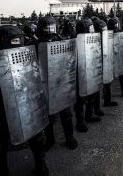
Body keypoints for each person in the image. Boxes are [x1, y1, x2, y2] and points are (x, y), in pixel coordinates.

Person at [0, 25, 49, 176]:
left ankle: (40, 163)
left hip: (25, 97)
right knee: (0, 141)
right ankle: (2, 170)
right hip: (1, 105)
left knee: (35, 134)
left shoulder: (27, 51)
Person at [36, 17, 78, 151]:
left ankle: (69, 137)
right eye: (46, 29)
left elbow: (70, 55)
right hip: (43, 84)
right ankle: (50, 139)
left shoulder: (60, 41)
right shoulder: (35, 44)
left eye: (51, 28)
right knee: (47, 115)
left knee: (65, 113)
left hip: (60, 81)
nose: (49, 32)